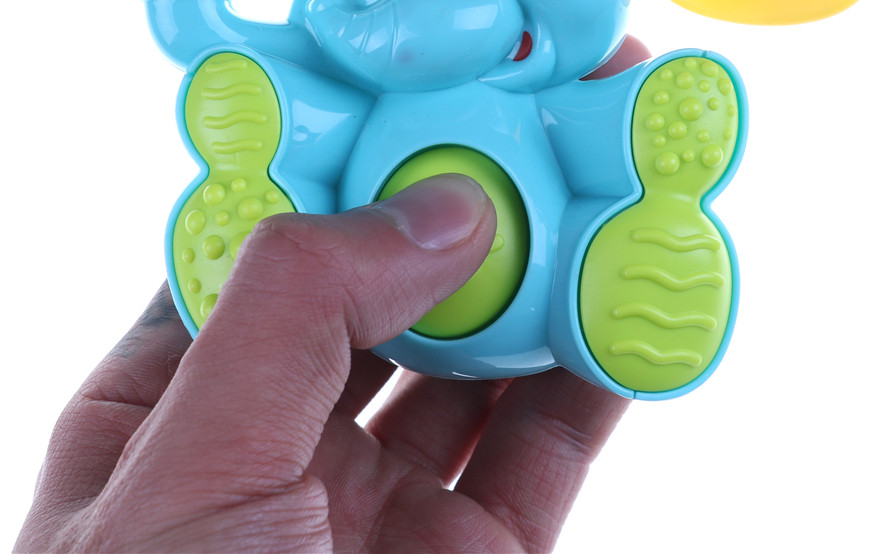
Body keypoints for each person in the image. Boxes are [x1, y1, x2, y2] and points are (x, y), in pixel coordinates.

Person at [15, 39, 649, 554]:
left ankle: (632, 206)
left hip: (418, 250)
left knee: (320, 180)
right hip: (517, 294)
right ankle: (620, 228)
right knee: (593, 156)